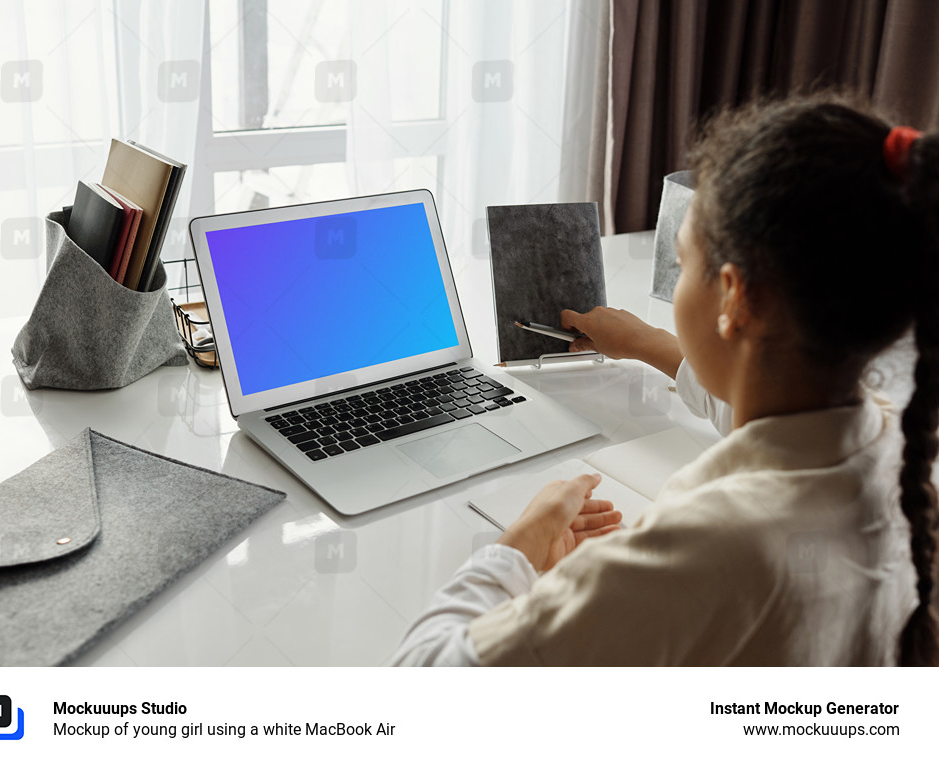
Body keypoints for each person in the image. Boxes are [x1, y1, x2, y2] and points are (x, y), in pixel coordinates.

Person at [390, 94, 938, 666]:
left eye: (683, 264)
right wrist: (644, 343)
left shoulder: (700, 553)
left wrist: (518, 546)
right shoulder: (898, 452)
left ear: (734, 295)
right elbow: (770, 400)